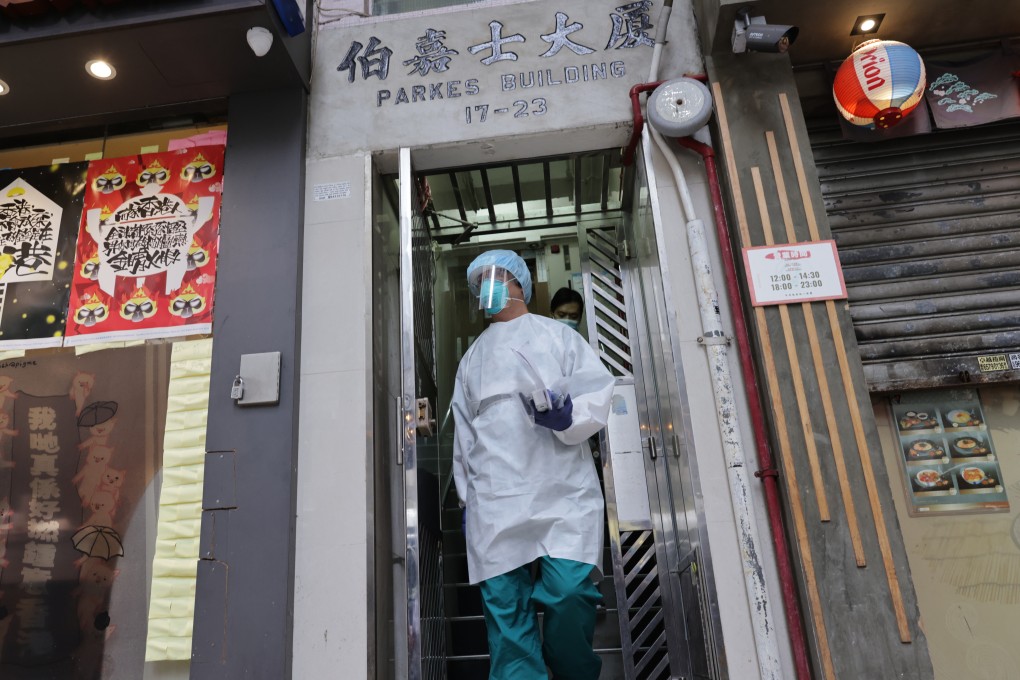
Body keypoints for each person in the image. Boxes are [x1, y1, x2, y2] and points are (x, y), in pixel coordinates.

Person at [451, 249, 615, 680]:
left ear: (520, 282)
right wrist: (467, 501)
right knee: (508, 627)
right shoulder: (471, 361)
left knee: (569, 594)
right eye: (478, 283)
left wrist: (568, 418)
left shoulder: (558, 337)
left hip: (561, 495)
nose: (486, 288)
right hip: (496, 504)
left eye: (495, 277)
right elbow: (464, 439)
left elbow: (596, 394)